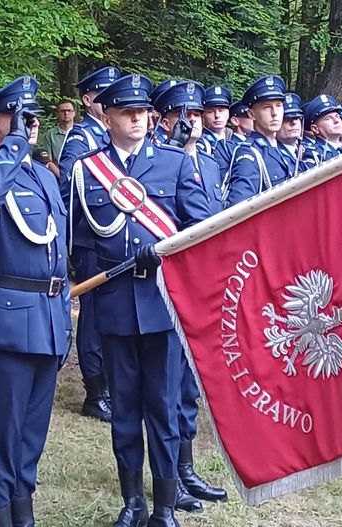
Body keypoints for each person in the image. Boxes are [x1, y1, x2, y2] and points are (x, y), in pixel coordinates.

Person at [70, 73, 210, 527]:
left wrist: (166, 254)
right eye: (125, 112)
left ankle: (165, 506)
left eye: (141, 112)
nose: (135, 119)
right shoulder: (88, 169)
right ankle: (132, 501)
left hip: (161, 304)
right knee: (125, 410)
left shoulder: (174, 162)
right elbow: (80, 241)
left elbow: (201, 230)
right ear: (107, 116)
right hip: (114, 304)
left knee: (163, 407)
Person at [0, 76, 71, 526]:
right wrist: (14, 145)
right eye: (19, 118)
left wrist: (64, 320)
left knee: (32, 435)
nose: (31, 126)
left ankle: (23, 515)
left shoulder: (42, 176)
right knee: (3, 434)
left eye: (33, 118)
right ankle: (0, 517)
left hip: (47, 317)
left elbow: (58, 253)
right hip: (6, 321)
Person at [152, 81, 229, 510]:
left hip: (205, 282)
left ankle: (186, 468)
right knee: (168, 386)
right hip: (171, 286)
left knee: (188, 387)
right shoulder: (160, 159)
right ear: (165, 120)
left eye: (197, 114)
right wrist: (172, 149)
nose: (193, 121)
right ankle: (171, 475)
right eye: (183, 114)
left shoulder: (211, 162)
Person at [58, 65, 119, 423]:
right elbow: (68, 190)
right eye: (103, 95)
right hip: (91, 240)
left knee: (112, 312)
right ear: (87, 99)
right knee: (93, 315)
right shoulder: (81, 139)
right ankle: (96, 392)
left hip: (116, 240)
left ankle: (112, 383)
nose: (110, 101)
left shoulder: (114, 136)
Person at [224, 75, 291, 206]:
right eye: (267, 107)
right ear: (251, 114)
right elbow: (240, 207)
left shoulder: (280, 149)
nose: (274, 113)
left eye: (278, 106)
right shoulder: (249, 153)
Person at [199, 85, 235, 178]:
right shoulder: (199, 144)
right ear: (203, 115)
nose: (217, 115)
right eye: (211, 112)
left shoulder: (233, 142)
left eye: (221, 111)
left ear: (228, 114)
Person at [303, 94, 342, 165]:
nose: (336, 121)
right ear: (315, 128)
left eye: (337, 116)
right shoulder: (314, 154)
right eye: (328, 118)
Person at [40, 98, 76, 165]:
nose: (66, 113)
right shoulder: (50, 134)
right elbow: (48, 161)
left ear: (74, 113)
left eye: (69, 110)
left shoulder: (81, 132)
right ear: (57, 114)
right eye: (62, 111)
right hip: (57, 170)